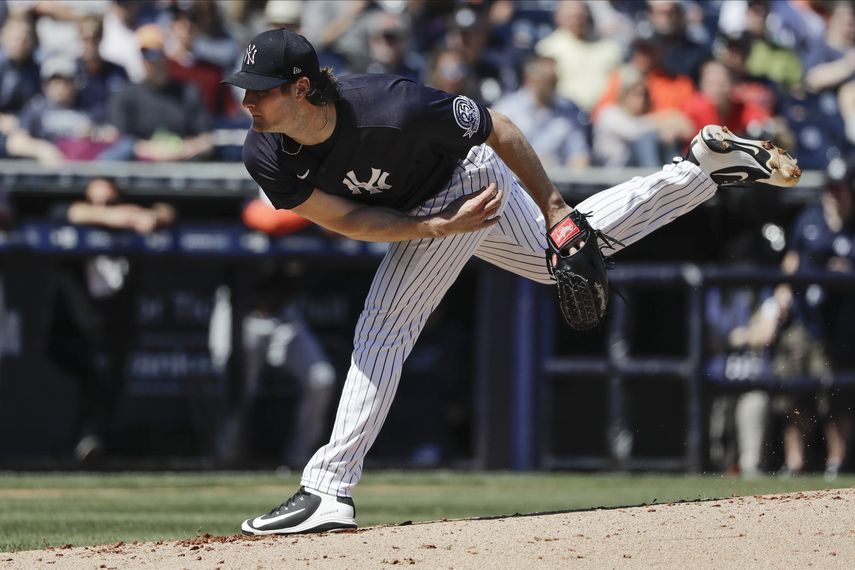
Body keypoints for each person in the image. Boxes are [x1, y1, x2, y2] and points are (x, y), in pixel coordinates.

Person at [224, 28, 800, 535]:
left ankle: (328, 487)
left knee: (383, 329)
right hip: (432, 211)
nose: (246, 100)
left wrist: (554, 210)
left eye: (260, 88)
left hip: (468, 177)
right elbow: (347, 218)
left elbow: (497, 127)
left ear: (301, 88)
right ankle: (700, 172)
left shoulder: (389, 105)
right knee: (561, 262)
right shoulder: (264, 153)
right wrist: (434, 228)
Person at [47, 177, 175, 463]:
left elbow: (168, 210)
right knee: (92, 371)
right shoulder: (78, 218)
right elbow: (61, 212)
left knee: (110, 377)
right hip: (74, 334)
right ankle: (78, 441)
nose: (104, 208)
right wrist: (121, 216)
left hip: (116, 329)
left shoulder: (133, 224)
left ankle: (93, 442)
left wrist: (151, 215)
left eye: (111, 202)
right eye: (97, 202)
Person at [771, 157, 855, 481]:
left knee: (836, 396)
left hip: (841, 327)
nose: (835, 196)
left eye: (842, 190)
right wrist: (781, 291)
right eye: (831, 190)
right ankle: (794, 463)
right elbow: (791, 260)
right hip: (804, 320)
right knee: (794, 393)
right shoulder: (809, 219)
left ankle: (837, 462)